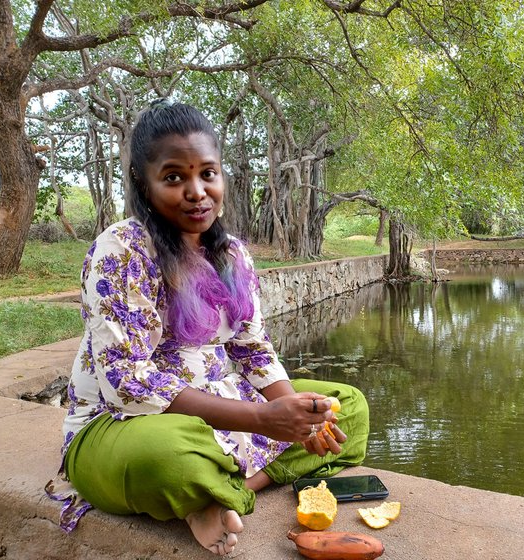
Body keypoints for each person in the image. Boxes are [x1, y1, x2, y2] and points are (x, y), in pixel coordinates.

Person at [46, 99, 369, 556]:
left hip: (224, 406)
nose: (197, 191)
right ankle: (209, 486)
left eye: (208, 173)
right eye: (175, 177)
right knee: (168, 457)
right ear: (144, 181)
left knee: (345, 409)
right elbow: (127, 382)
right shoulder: (122, 250)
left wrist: (295, 413)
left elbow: (251, 348)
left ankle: (223, 493)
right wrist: (262, 420)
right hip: (125, 426)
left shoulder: (232, 253)